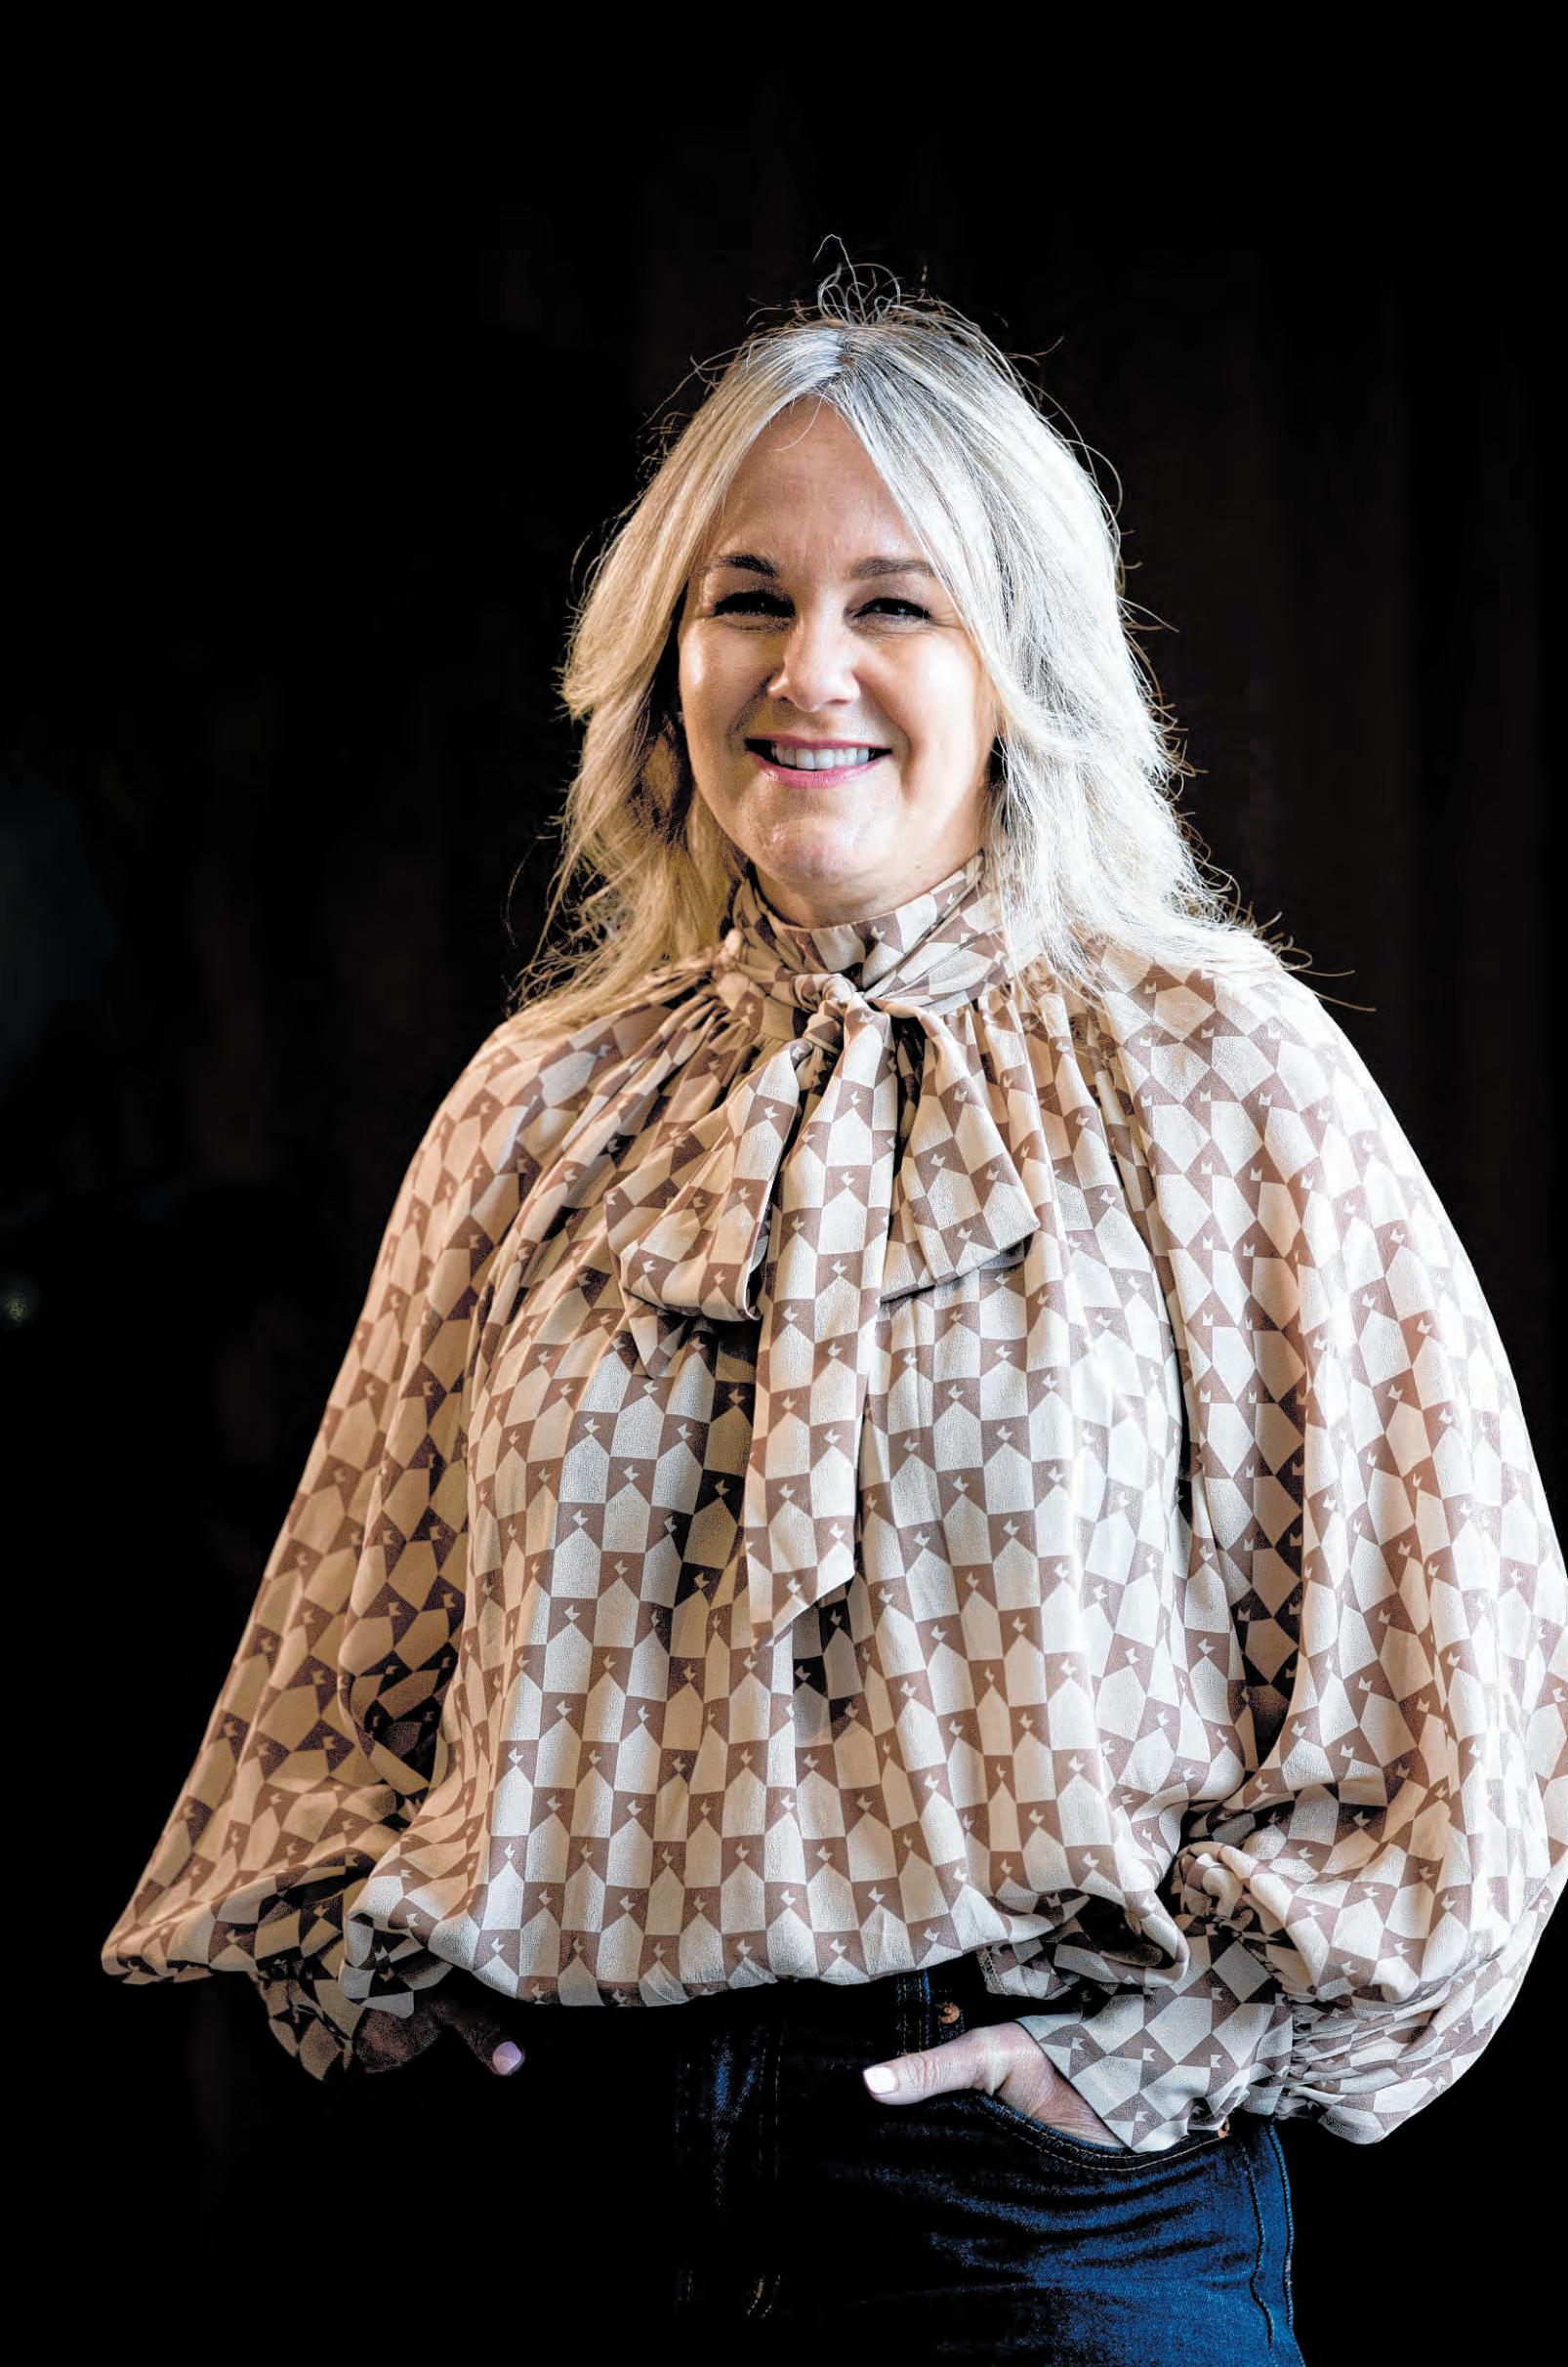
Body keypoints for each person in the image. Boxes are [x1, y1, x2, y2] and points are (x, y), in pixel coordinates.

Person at [102, 275, 1567, 2359]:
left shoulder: (1215, 1074)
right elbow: (343, 1643)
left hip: (1037, 2211)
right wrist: (406, 1991)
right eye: (746, 600)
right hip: (550, 2206)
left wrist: (1134, 2063)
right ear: (662, 660)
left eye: (895, 604)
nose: (807, 670)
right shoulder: (541, 1104)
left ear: (1014, 667)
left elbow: (1447, 1667)